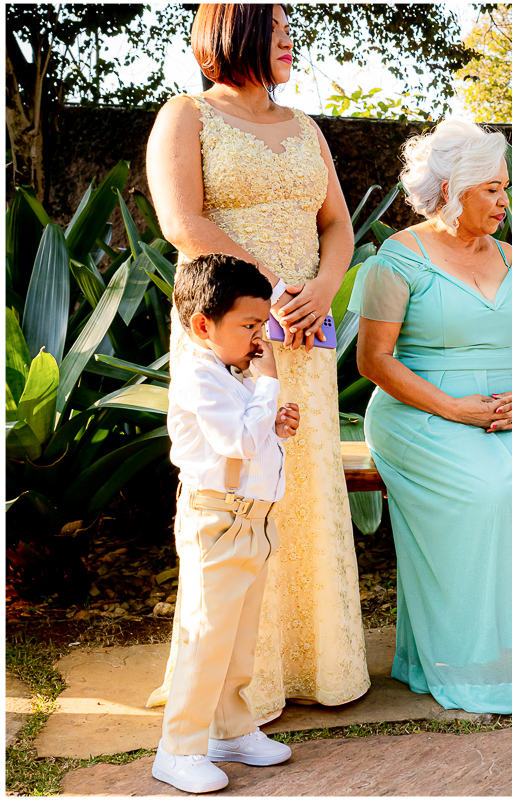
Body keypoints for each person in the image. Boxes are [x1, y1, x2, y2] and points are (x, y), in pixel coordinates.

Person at [145, 4, 369, 723]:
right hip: (230, 333)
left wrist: (324, 289)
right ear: (227, 32)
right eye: (271, 26)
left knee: (301, 480)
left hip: (306, 334)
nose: (287, 40)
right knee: (238, 485)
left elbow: (336, 223)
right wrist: (271, 294)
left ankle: (316, 664)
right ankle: (235, 688)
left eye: (289, 29)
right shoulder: (185, 116)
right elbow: (184, 223)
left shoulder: (306, 127)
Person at [350, 118, 512, 713]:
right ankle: (470, 656)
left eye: (505, 188)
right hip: (421, 409)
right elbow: (374, 360)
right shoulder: (399, 257)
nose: (503, 200)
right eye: (491, 188)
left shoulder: (510, 257)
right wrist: (453, 409)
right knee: (490, 493)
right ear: (451, 189)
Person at [153, 254, 297, 793]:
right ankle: (178, 747)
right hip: (217, 521)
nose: (260, 338)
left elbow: (250, 437)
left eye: (262, 325)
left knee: (238, 636)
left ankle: (230, 730)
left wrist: (275, 423)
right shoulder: (198, 375)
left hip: (252, 522)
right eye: (249, 326)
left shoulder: (229, 373)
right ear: (201, 325)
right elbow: (234, 440)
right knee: (205, 635)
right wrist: (268, 388)